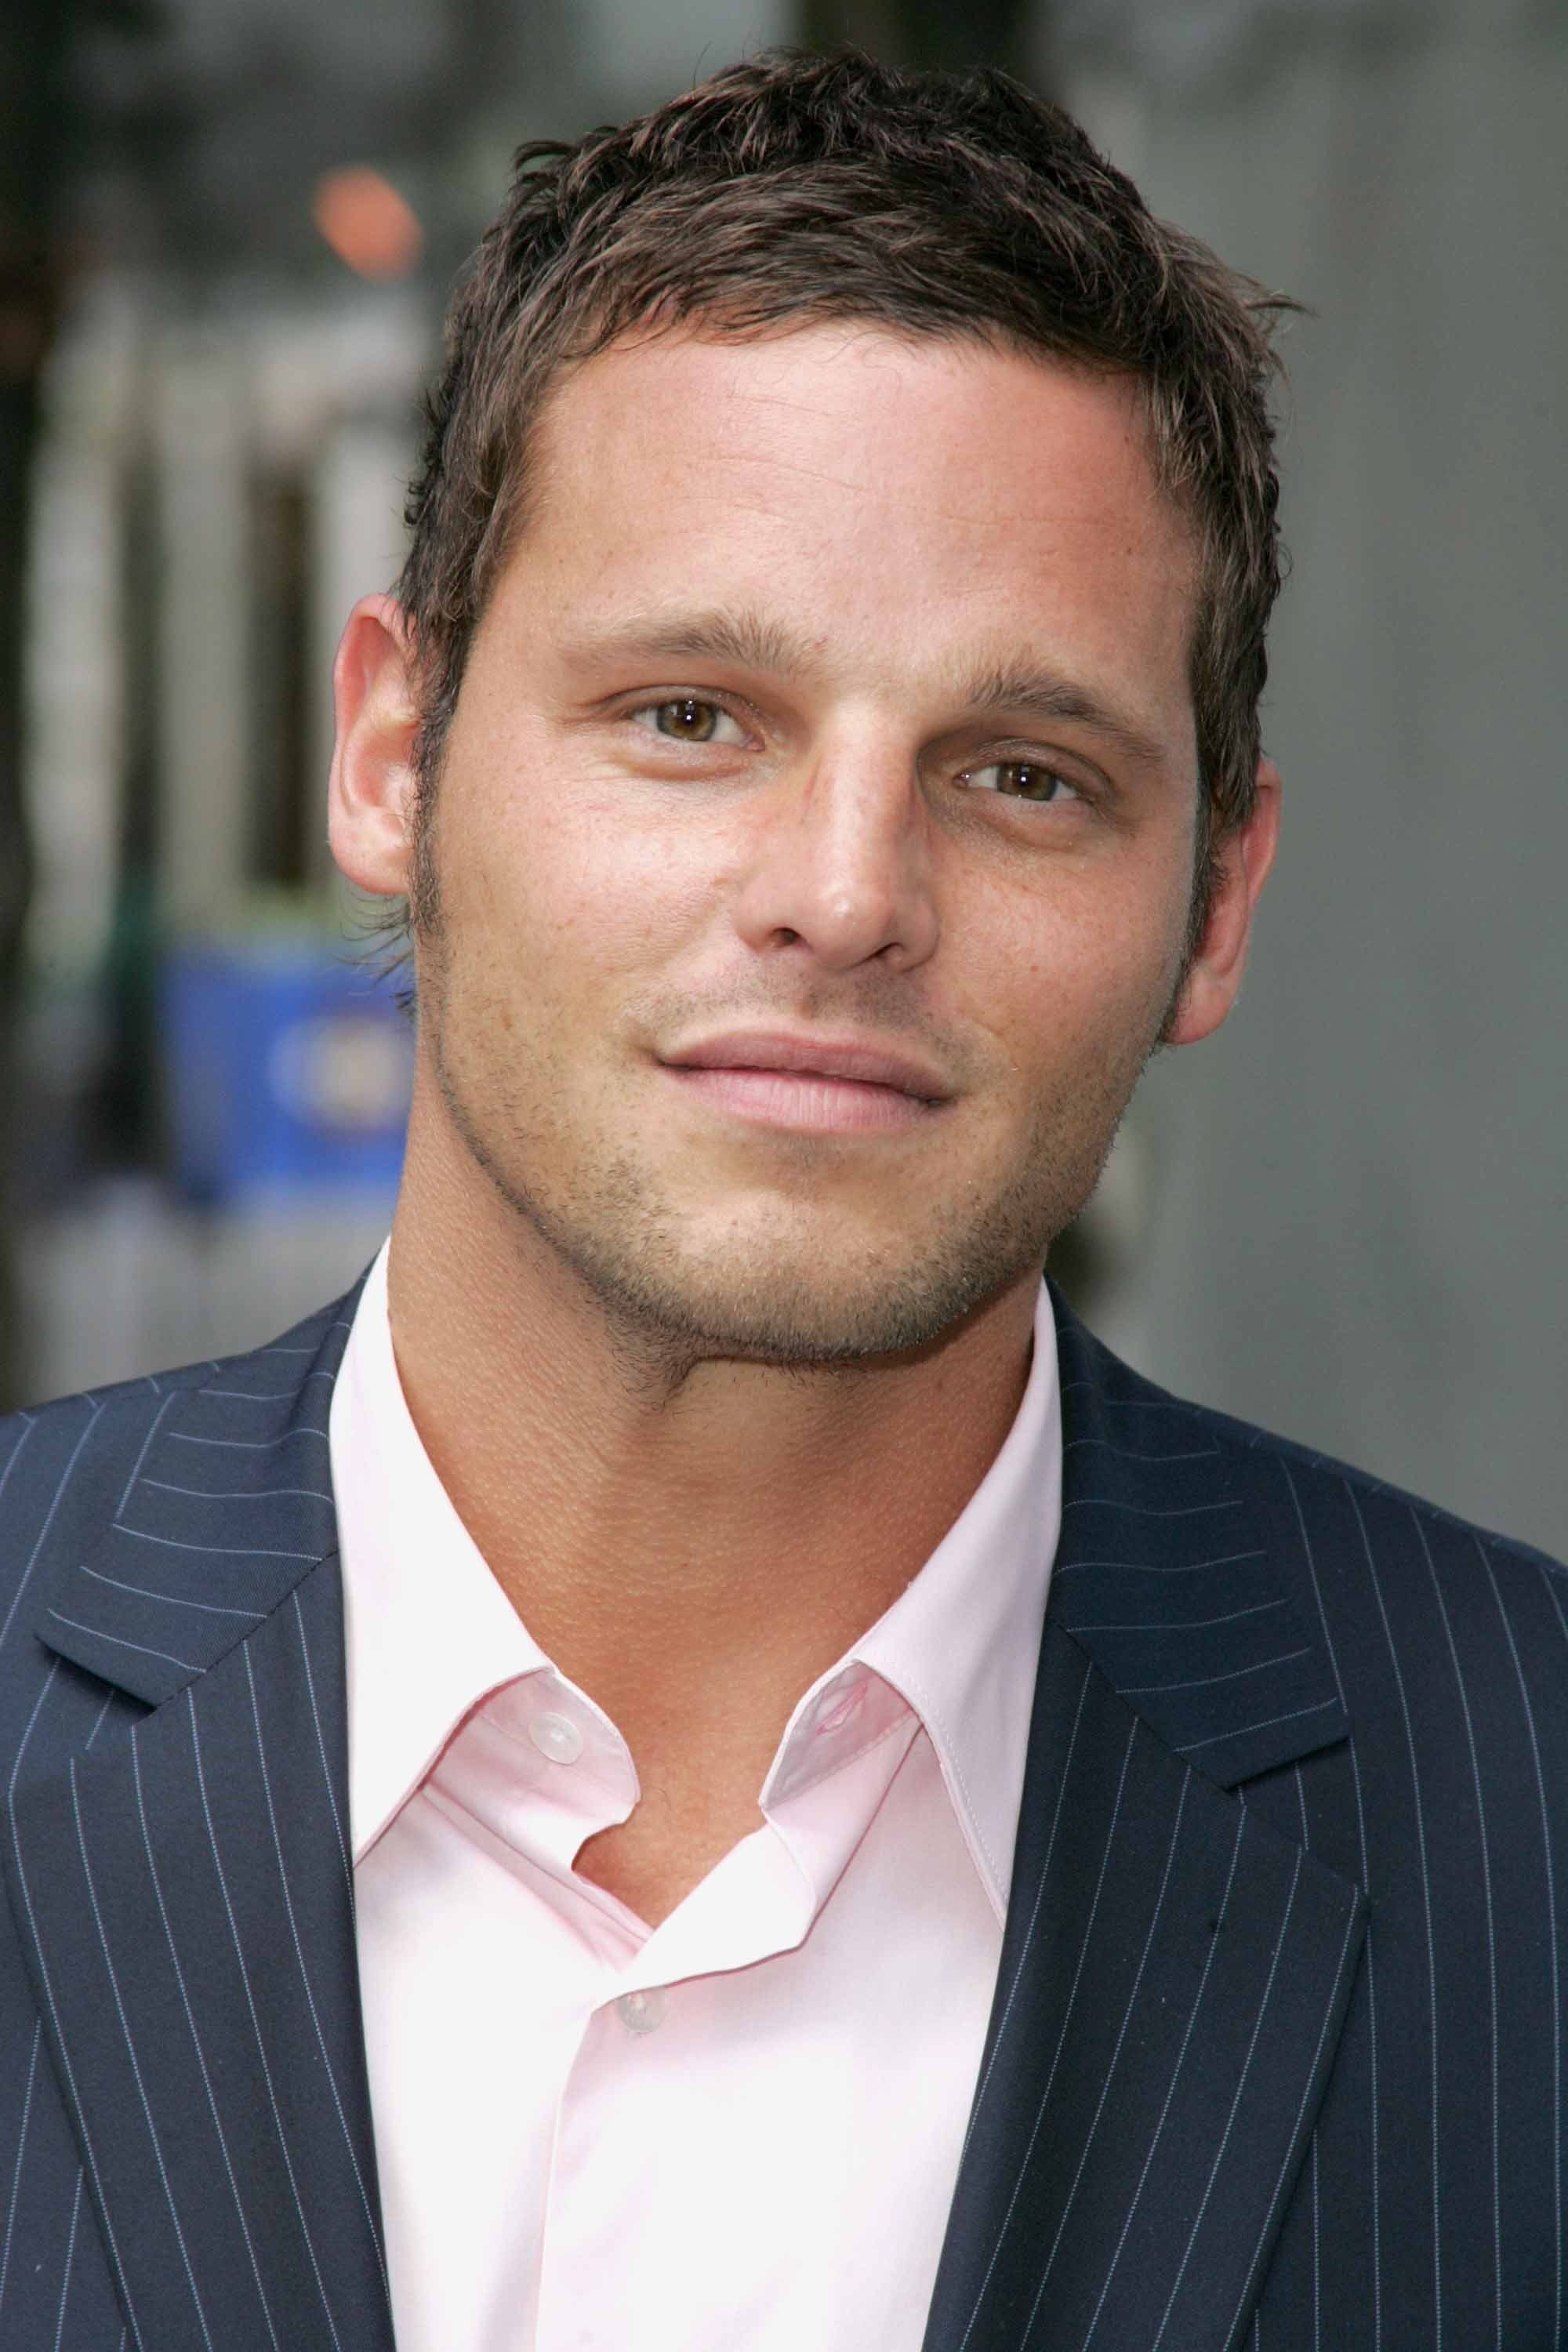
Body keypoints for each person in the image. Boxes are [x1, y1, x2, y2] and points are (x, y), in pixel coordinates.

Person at [0, 48, 1560, 2352]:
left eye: (1021, 774)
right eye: (690, 715)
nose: (844, 894)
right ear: (395, 756)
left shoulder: (1527, 1822)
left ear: (1217, 905)